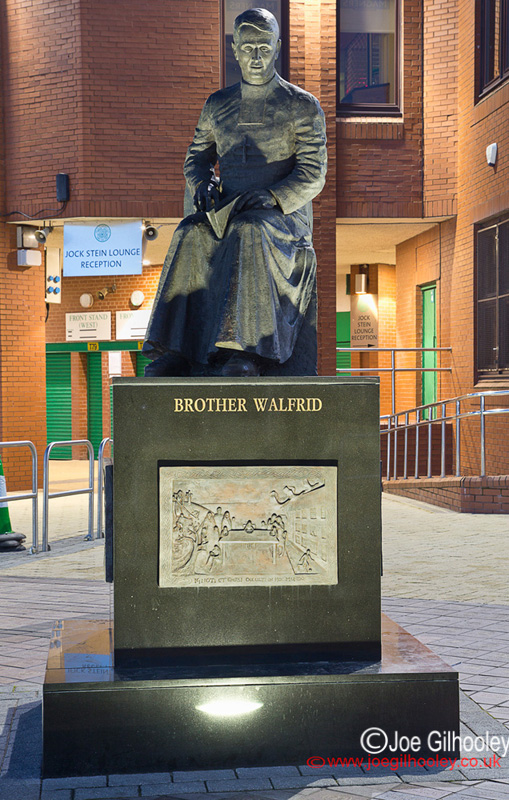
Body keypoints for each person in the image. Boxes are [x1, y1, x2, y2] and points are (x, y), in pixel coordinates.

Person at [143, 8, 327, 377]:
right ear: (235, 50)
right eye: (248, 48)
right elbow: (197, 158)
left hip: (280, 219)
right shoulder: (218, 105)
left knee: (251, 231)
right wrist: (201, 183)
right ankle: (180, 348)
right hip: (228, 208)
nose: (256, 57)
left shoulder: (301, 105)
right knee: (190, 232)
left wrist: (274, 197)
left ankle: (246, 352)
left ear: (276, 48)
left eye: (263, 47)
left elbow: (313, 173)